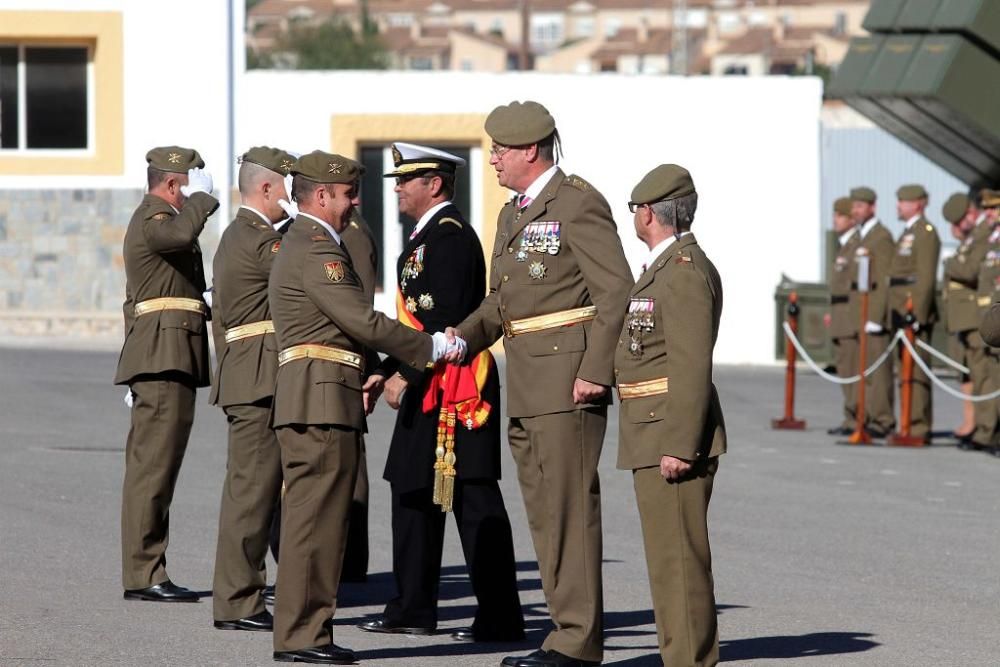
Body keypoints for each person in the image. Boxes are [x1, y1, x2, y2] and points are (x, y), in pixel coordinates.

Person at [448, 101, 633, 667]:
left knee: (570, 508)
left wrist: (595, 372)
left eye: (500, 149)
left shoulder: (577, 203)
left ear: (531, 149)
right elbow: (503, 300)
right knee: (546, 512)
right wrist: (459, 338)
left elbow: (616, 292)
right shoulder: (514, 213)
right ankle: (563, 631)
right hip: (527, 379)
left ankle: (578, 641)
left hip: (565, 378)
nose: (494, 160)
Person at [267, 150, 462, 664]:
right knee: (317, 521)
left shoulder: (310, 243)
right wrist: (431, 348)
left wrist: (373, 367)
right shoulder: (316, 248)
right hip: (320, 396)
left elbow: (345, 327)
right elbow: (361, 319)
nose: (355, 203)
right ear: (323, 194)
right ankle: (303, 635)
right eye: (349, 194)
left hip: (324, 390)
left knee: (321, 518)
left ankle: (304, 630)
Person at [358, 142, 524, 642]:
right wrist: (387, 366)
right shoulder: (426, 236)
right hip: (428, 377)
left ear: (433, 185)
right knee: (412, 490)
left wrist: (405, 371)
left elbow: (448, 321)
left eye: (407, 180)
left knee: (473, 498)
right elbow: (423, 321)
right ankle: (413, 605)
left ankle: (499, 616)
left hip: (453, 385)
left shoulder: (450, 237)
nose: (399, 189)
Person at [616, 163, 725, 667]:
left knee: (679, 560)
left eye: (636, 208)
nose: (634, 216)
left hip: (670, 433)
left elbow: (689, 365)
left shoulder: (682, 272)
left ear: (649, 215)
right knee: (667, 560)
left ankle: (689, 660)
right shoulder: (667, 267)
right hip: (652, 429)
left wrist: (680, 444)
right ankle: (679, 654)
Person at [114, 146, 217, 602]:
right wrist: (203, 201)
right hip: (161, 357)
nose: (191, 195)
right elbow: (176, 237)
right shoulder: (155, 218)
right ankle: (144, 573)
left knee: (160, 467)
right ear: (173, 185)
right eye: (186, 187)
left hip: (168, 354)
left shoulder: (160, 220)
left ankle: (148, 568)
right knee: (152, 470)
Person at [209, 146, 296, 631]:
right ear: (266, 188)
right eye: (289, 188)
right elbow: (299, 273)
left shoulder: (248, 234)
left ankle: (244, 594)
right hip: (257, 377)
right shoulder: (257, 238)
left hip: (253, 373)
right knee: (251, 491)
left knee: (259, 489)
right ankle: (239, 601)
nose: (295, 197)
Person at [887, 185, 941, 444]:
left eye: (903, 201)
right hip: (899, 313)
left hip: (912, 316)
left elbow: (925, 278)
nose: (898, 206)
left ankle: (918, 426)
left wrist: (917, 315)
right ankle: (906, 421)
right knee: (904, 372)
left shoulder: (925, 233)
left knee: (916, 373)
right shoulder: (908, 232)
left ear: (918, 204)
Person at [848, 186, 896, 438]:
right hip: (860, 315)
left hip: (873, 317)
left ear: (872, 207)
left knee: (878, 373)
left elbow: (886, 279)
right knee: (864, 372)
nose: (854, 211)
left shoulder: (881, 237)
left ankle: (883, 419)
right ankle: (865, 417)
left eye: (859, 206)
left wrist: (876, 317)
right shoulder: (862, 237)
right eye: (853, 206)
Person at [939, 193, 980, 442]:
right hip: (963, 318)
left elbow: (971, 271)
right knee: (967, 374)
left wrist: (950, 262)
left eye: (960, 220)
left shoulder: (983, 238)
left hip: (976, 316)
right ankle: (972, 422)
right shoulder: (969, 240)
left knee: (980, 374)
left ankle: (982, 428)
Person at [827, 196, 861, 436]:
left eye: (840, 215)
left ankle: (857, 417)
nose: (835, 220)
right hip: (841, 316)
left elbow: (853, 284)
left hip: (851, 317)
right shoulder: (844, 244)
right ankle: (850, 416)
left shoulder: (858, 245)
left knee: (852, 370)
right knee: (844, 370)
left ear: (851, 219)